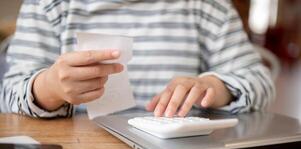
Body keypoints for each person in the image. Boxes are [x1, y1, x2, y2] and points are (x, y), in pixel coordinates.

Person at [1, 0, 275, 118]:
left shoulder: (206, 6)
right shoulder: (50, 5)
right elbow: (9, 93)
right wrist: (49, 87)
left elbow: (259, 79)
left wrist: (217, 87)